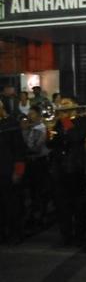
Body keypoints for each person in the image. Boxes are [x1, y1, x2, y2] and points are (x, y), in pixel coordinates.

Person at [47, 98, 86, 246]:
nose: (62, 106)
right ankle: (65, 234)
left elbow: (76, 137)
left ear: (74, 106)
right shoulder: (59, 122)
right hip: (60, 168)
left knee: (78, 203)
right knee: (62, 204)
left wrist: (65, 120)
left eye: (66, 103)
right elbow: (51, 144)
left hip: (75, 167)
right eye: (61, 104)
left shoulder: (82, 120)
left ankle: (80, 234)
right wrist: (49, 129)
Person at [0, 100, 26, 245]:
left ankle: (15, 233)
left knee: (12, 204)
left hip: (8, 171)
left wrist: (18, 171)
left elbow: (19, 151)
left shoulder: (11, 125)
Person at [23, 106, 51, 227]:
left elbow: (36, 147)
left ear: (39, 115)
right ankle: (33, 214)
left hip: (40, 161)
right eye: (29, 113)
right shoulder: (29, 128)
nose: (29, 115)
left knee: (40, 189)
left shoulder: (41, 128)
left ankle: (41, 214)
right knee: (32, 190)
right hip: (30, 162)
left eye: (32, 113)